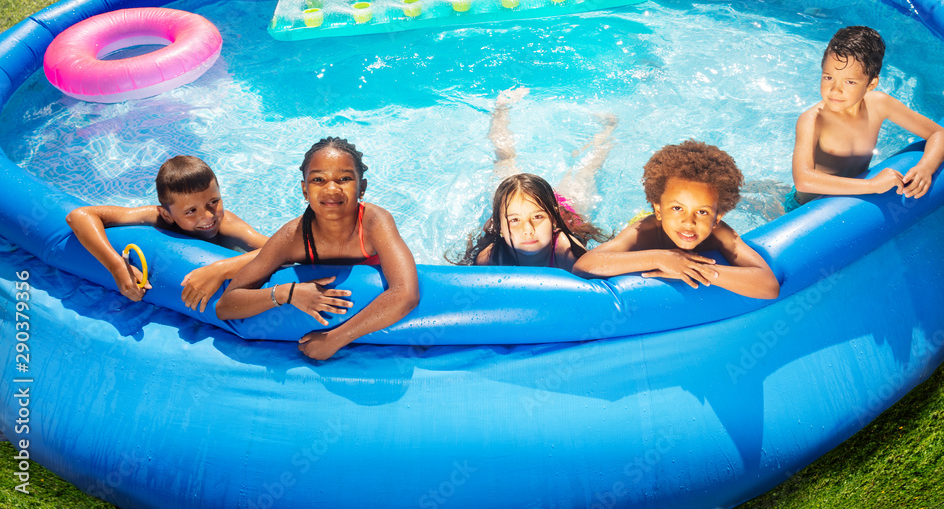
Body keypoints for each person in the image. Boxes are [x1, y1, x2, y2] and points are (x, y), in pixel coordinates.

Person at [216, 137, 419, 361]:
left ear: (362, 188)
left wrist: (335, 339)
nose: (332, 189)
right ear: (305, 190)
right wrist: (287, 293)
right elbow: (225, 306)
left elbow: (406, 293)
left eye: (344, 178)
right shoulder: (293, 237)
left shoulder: (374, 223)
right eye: (318, 180)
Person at [573, 140, 779, 299]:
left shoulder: (721, 233)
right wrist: (660, 258)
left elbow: (769, 286)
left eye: (703, 212)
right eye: (678, 208)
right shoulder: (643, 232)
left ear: (717, 218)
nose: (689, 222)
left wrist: (699, 269)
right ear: (659, 209)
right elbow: (585, 265)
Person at [66, 155, 268, 310]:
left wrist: (221, 269)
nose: (208, 216)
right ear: (167, 214)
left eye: (214, 202)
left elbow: (280, 250)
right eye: (191, 211)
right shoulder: (159, 217)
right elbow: (79, 216)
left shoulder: (227, 225)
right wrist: (117, 266)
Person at [787, 26, 944, 211]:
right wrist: (873, 185)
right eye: (828, 77)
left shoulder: (879, 104)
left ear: (871, 83)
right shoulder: (813, 120)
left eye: (849, 82)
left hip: (851, 201)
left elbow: (939, 134)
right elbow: (803, 180)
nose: (835, 90)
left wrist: (926, 167)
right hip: (805, 207)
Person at [450, 87, 612, 270]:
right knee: (505, 158)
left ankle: (609, 128)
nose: (528, 229)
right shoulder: (491, 258)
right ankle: (501, 109)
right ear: (500, 227)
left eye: (537, 217)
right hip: (532, 204)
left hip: (565, 210)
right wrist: (531, 214)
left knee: (586, 169)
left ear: (553, 221)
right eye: (514, 221)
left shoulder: (567, 253)